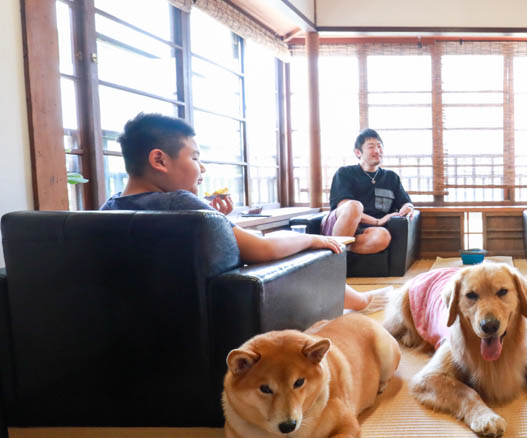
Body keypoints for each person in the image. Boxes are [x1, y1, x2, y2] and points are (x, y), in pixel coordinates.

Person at [101, 113, 391, 313]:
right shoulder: (179, 202)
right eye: (195, 157)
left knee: (267, 236)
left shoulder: (109, 208)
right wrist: (311, 240)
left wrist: (217, 218)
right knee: (300, 248)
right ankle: (362, 302)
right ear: (159, 160)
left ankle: (359, 300)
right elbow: (261, 249)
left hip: (156, 306)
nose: (201, 168)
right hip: (229, 301)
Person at [327, 129, 415, 255]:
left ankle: (341, 247)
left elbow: (406, 202)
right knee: (354, 206)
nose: (377, 151)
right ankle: (336, 248)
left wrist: (408, 208)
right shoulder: (345, 173)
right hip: (344, 225)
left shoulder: (391, 177)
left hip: (368, 232)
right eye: (371, 147)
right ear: (358, 152)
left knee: (382, 236)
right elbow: (345, 208)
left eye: (380, 146)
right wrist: (377, 221)